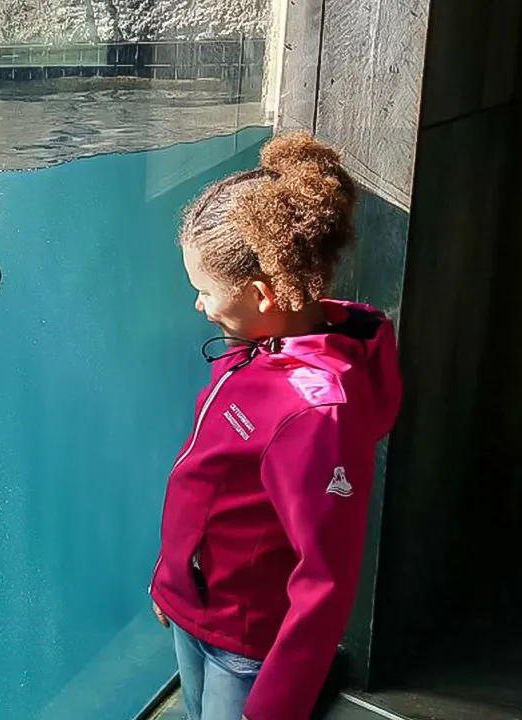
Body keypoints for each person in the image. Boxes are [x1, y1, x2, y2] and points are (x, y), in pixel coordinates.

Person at [148, 131, 403, 720]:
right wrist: (170, 579)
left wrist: (277, 706)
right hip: (197, 608)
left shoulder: (316, 412)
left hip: (247, 642)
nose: (199, 306)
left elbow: (326, 579)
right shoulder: (262, 348)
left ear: (262, 295)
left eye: (205, 292)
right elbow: (204, 481)